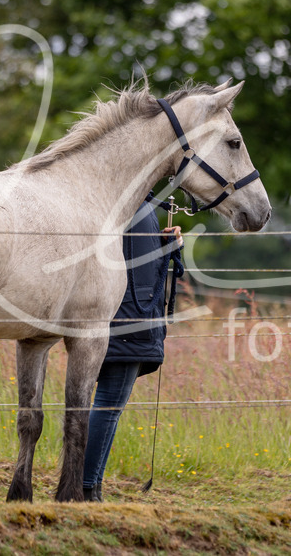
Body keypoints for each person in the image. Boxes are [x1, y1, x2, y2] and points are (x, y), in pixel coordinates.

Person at [82, 196, 183, 502]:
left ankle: (91, 485)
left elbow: (142, 264)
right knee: (109, 405)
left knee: (108, 405)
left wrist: (165, 246)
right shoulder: (135, 207)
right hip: (130, 323)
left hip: (126, 320)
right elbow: (139, 274)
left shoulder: (133, 205)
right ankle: (87, 487)